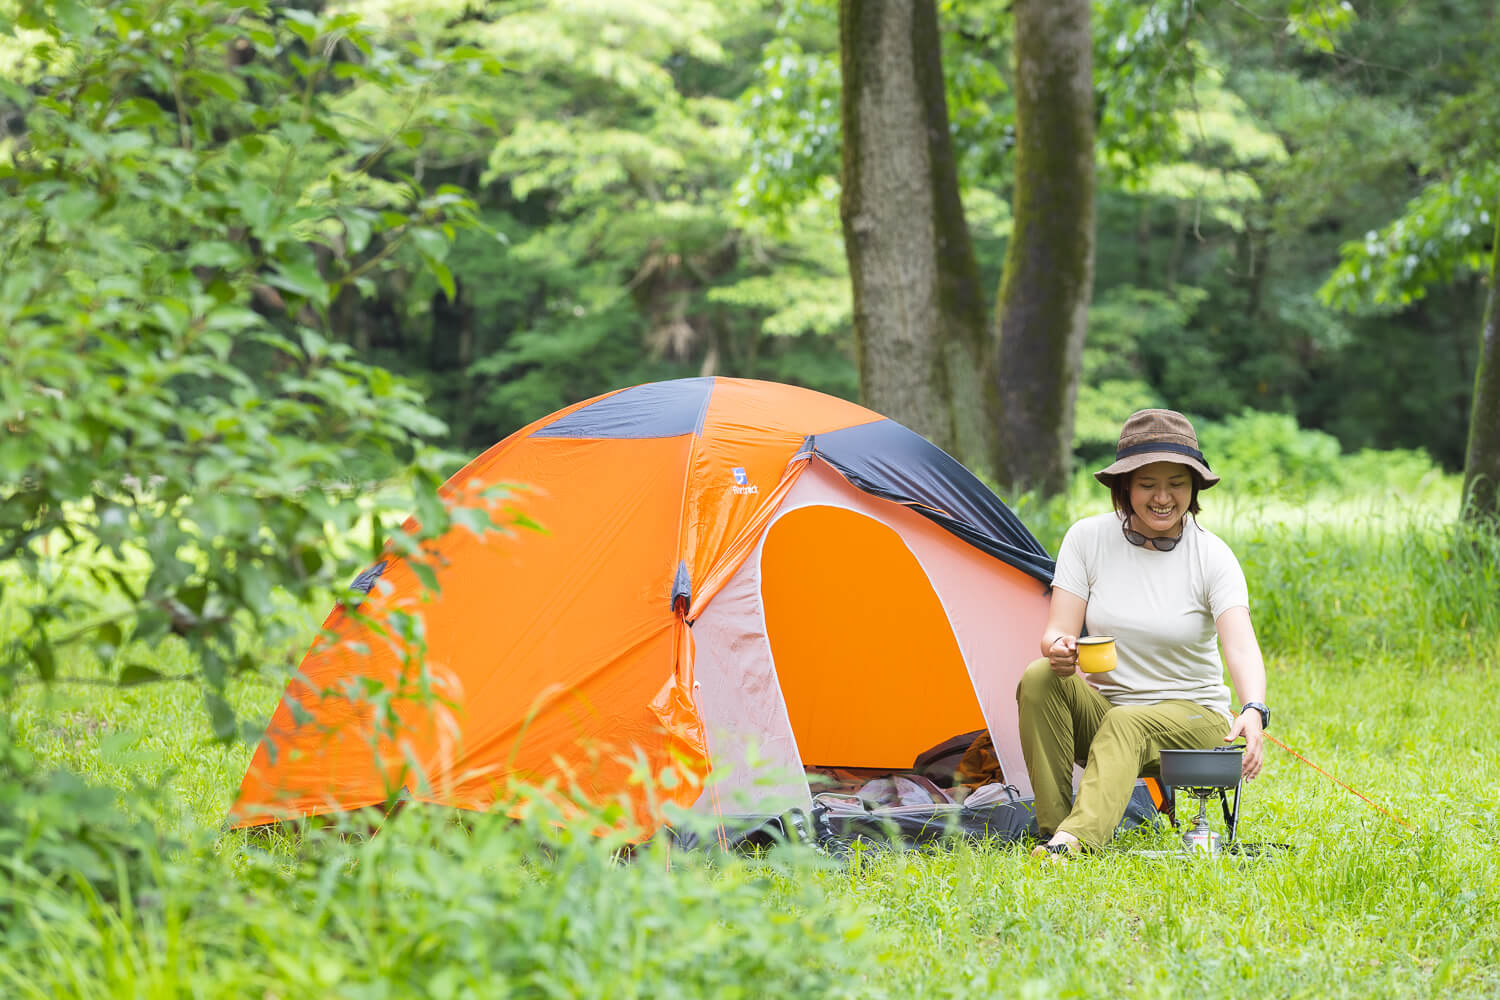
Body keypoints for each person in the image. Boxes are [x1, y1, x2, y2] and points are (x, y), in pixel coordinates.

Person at [1018, 408, 1270, 858]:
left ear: (1193, 488)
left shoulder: (1212, 555)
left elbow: (1241, 644)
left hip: (1196, 719)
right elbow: (1056, 631)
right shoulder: (1087, 539)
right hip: (1111, 715)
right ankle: (1054, 833)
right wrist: (1060, 649)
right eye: (1147, 484)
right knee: (1040, 677)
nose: (1162, 497)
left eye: (1176, 483)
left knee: (1127, 720)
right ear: (1124, 487)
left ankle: (1076, 844)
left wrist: (1253, 708)